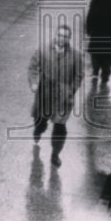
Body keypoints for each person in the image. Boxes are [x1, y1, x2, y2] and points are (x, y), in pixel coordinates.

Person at [29, 23, 84, 167]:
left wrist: (71, 90)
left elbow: (79, 75)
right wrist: (34, 83)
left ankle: (55, 154)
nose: (62, 39)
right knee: (40, 120)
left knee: (60, 126)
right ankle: (38, 129)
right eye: (60, 35)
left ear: (69, 38)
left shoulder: (76, 55)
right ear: (55, 35)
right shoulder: (43, 49)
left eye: (65, 36)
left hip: (63, 97)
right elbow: (33, 66)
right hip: (45, 92)